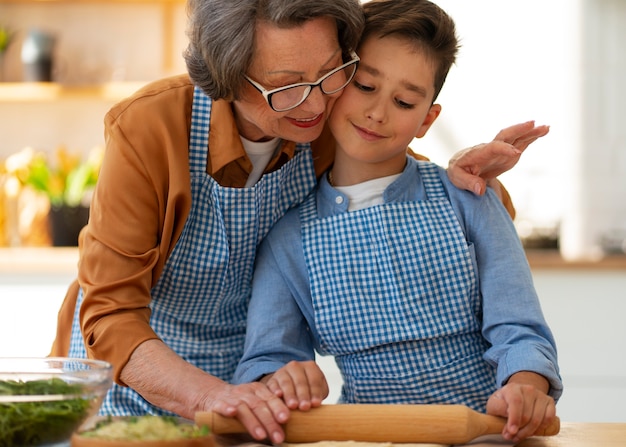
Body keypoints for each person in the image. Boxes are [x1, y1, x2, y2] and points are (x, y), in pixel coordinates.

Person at [49, 0, 549, 444]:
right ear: (228, 78)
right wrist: (212, 395)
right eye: (285, 88)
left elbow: (410, 180)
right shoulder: (150, 127)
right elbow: (110, 313)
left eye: (333, 73)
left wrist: (469, 174)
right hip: (139, 378)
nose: (314, 104)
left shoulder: (333, 119)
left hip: (251, 390)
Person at [233, 0, 563, 443]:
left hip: (489, 433)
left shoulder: (467, 198)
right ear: (334, 83)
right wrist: (280, 379)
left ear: (427, 119)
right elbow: (266, 357)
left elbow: (520, 330)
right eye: (366, 85)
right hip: (368, 437)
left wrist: (525, 389)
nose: (378, 113)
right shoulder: (288, 237)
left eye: (404, 101)